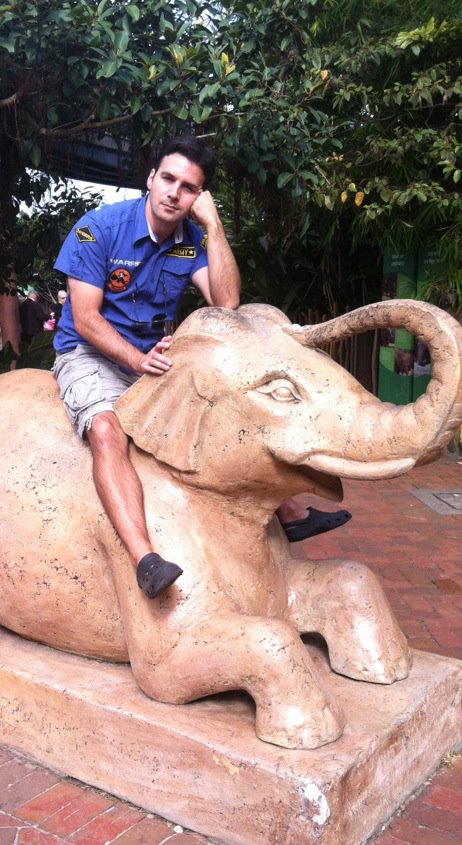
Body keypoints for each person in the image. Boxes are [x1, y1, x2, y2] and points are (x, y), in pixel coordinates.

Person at [53, 135, 349, 599]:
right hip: (90, 352)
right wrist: (137, 359)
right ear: (150, 178)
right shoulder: (99, 229)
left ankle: (288, 512)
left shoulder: (191, 240)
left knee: (229, 404)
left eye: (189, 188)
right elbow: (86, 319)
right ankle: (145, 559)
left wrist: (213, 225)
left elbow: (227, 303)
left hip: (152, 356)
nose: (175, 193)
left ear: (198, 196)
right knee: (107, 432)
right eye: (168, 179)